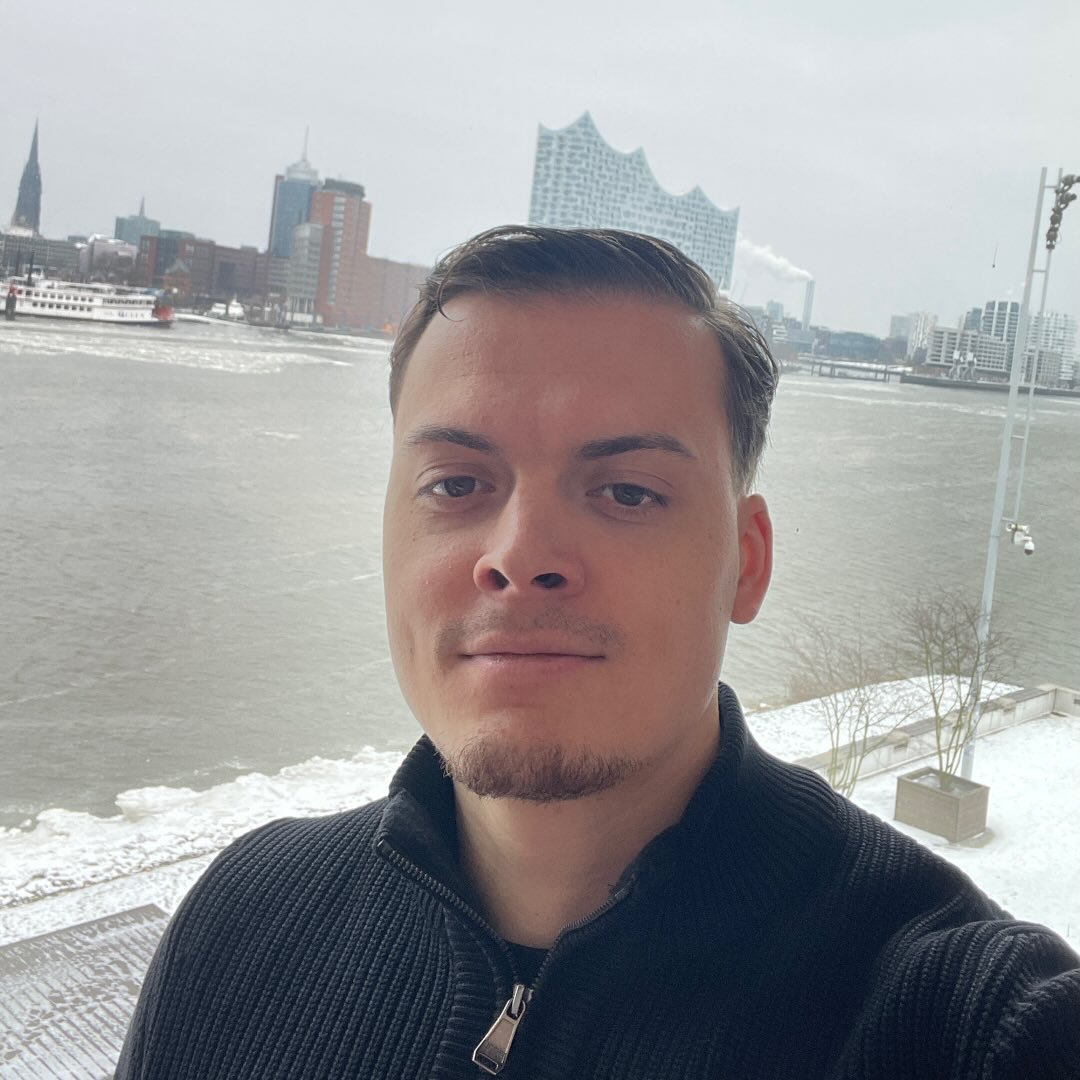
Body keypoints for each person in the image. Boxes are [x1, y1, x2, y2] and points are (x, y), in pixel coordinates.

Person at [117, 227, 1079, 1079]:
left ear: (745, 564)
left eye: (627, 492)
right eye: (456, 484)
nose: (520, 557)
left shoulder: (974, 1027)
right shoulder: (243, 920)